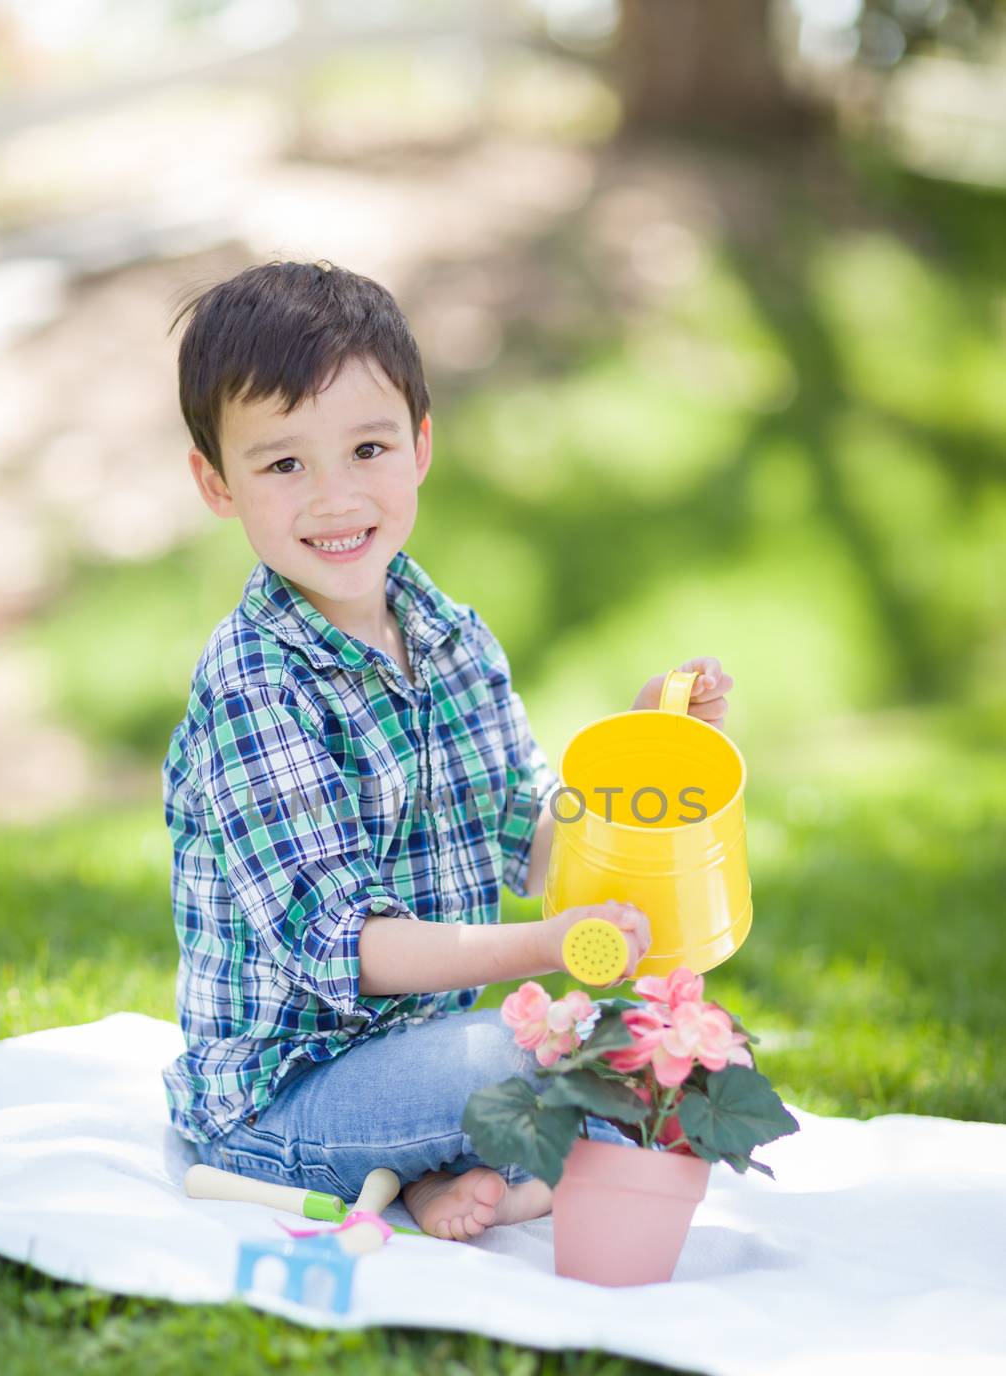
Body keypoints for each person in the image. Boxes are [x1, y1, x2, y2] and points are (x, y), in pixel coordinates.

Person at [161, 259, 734, 1241]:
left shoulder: (454, 641)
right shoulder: (254, 687)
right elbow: (350, 948)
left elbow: (535, 842)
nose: (335, 497)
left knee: (688, 1051)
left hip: (422, 1061)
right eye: (283, 463)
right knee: (516, 1060)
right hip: (282, 1100)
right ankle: (479, 1160)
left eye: (367, 448)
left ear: (420, 446)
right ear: (217, 482)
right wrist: (547, 953)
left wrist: (637, 773)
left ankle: (437, 1174)